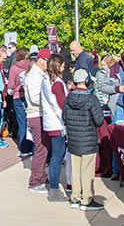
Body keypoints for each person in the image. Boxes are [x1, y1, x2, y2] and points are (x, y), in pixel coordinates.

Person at [63, 68, 103, 210]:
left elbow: (64, 118)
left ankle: (75, 196)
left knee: (76, 169)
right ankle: (86, 198)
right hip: (88, 140)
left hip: (74, 139)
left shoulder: (69, 99)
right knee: (87, 170)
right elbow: (99, 120)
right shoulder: (91, 99)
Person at [42, 54, 69, 202]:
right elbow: (61, 105)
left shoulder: (46, 80)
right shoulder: (57, 83)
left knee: (55, 157)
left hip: (50, 122)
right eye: (63, 65)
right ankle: (54, 189)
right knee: (57, 157)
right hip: (57, 123)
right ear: (57, 66)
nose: (64, 68)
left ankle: (53, 186)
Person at [24, 48, 51, 193]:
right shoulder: (35, 75)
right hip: (37, 114)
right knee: (41, 149)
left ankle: (40, 175)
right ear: (41, 60)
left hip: (40, 114)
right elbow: (35, 98)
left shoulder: (39, 74)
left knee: (43, 148)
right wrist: (50, 101)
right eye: (48, 62)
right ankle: (35, 181)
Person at [7, 47, 31, 157]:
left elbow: (11, 84)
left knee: (22, 123)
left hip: (17, 95)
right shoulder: (31, 66)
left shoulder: (14, 68)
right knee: (30, 122)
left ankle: (24, 147)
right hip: (29, 96)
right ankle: (31, 145)